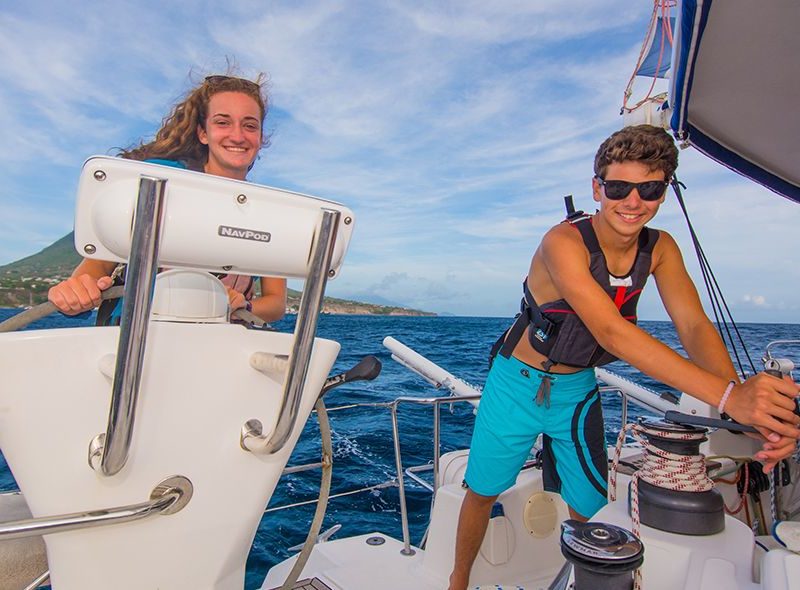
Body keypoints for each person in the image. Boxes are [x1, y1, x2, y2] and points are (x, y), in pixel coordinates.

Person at [448, 124, 800, 590]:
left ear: (664, 191)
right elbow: (612, 333)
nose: (633, 202)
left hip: (576, 389)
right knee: (483, 490)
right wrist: (734, 398)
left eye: (650, 189)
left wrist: (745, 409)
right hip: (514, 382)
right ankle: (456, 580)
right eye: (618, 187)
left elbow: (693, 326)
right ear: (598, 188)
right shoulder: (563, 242)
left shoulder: (660, 250)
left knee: (590, 506)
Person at [48, 73, 286, 323]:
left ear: (260, 137)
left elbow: (276, 302)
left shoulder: (267, 212)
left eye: (249, 125)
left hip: (223, 343)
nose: (238, 136)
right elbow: (98, 264)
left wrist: (243, 304)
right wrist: (77, 290)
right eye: (222, 122)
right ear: (203, 133)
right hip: (138, 338)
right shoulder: (156, 182)